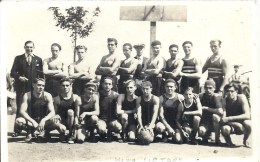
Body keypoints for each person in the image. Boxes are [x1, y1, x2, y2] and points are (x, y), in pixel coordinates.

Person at [11, 40, 43, 137]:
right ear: (24, 47)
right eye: (27, 47)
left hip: (33, 88)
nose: (29, 49)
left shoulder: (38, 59)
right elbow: (13, 72)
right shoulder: (18, 58)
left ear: (34, 47)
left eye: (31, 47)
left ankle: (32, 130)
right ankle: (17, 130)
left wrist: (38, 84)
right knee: (20, 107)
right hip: (21, 88)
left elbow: (40, 75)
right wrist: (19, 77)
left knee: (32, 107)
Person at [15, 78, 55, 142]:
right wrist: (33, 122)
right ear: (33, 85)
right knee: (18, 121)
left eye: (43, 85)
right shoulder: (27, 95)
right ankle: (30, 132)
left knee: (55, 122)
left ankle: (45, 132)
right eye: (39, 85)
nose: (41, 87)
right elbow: (22, 111)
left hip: (43, 121)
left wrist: (44, 120)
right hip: (31, 121)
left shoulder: (47, 95)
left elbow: (52, 112)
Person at [221, 83, 251, 147]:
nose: (230, 93)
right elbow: (223, 119)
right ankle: (229, 142)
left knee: (249, 124)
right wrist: (234, 123)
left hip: (241, 121)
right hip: (230, 123)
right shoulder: (224, 100)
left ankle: (245, 140)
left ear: (236, 91)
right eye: (228, 91)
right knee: (225, 129)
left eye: (232, 91)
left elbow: (247, 115)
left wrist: (230, 118)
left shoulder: (241, 97)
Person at [155, 79, 185, 143]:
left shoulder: (180, 97)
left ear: (175, 87)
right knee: (159, 127)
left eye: (171, 87)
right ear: (164, 87)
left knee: (178, 140)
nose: (169, 88)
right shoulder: (161, 98)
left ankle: (174, 134)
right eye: (167, 86)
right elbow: (161, 116)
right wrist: (168, 128)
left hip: (175, 122)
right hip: (164, 122)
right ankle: (164, 134)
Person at [52, 77, 81, 144]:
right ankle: (62, 133)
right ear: (60, 87)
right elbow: (54, 113)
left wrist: (76, 123)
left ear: (70, 86)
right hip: (61, 121)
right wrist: (56, 116)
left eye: (67, 85)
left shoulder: (75, 98)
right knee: (54, 119)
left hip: (72, 120)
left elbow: (77, 115)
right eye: (63, 85)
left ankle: (70, 134)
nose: (65, 87)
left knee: (70, 112)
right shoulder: (56, 99)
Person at [96, 77, 122, 142]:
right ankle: (102, 133)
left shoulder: (116, 95)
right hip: (101, 119)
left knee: (118, 127)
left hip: (112, 120)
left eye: (109, 84)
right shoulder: (98, 95)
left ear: (112, 86)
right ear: (102, 85)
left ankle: (111, 133)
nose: (107, 85)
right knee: (101, 129)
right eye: (106, 84)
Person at [198, 79, 223, 145]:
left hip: (215, 123)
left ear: (214, 88)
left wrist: (206, 108)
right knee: (201, 131)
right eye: (206, 88)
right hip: (205, 122)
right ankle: (205, 137)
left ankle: (217, 139)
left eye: (210, 88)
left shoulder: (215, 96)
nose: (208, 90)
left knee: (215, 116)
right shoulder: (201, 96)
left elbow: (220, 111)